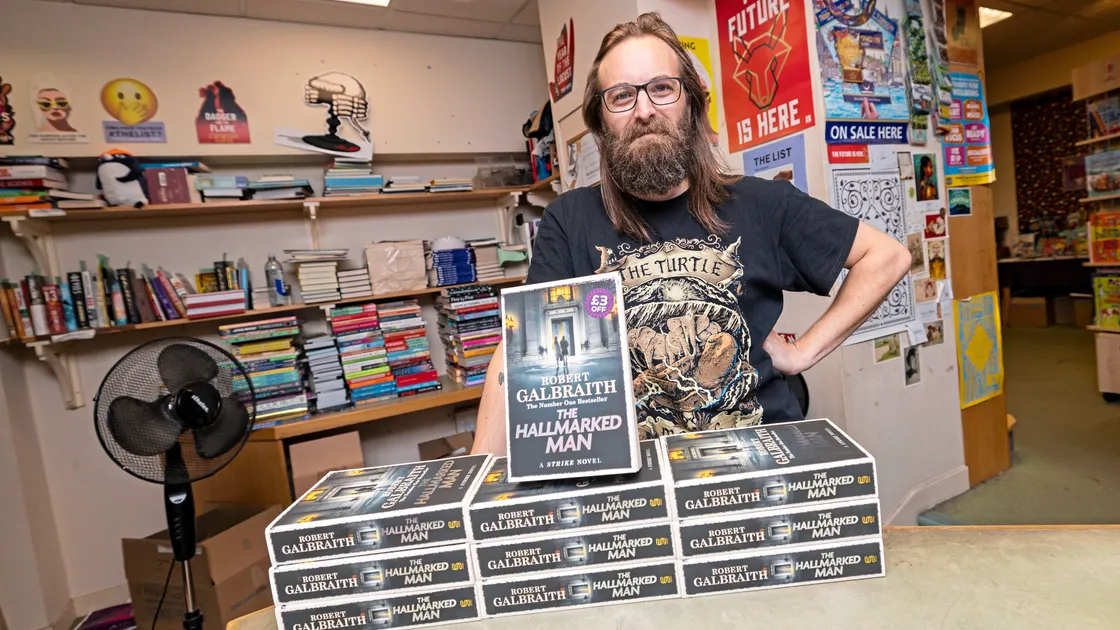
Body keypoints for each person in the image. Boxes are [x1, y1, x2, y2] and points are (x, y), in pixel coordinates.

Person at [471, 13, 909, 453]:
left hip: (759, 461)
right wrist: (477, 486)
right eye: (622, 96)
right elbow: (519, 354)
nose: (644, 110)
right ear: (601, 125)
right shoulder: (570, 218)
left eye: (662, 88)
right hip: (633, 476)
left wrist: (804, 352)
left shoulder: (763, 203)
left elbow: (887, 257)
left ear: (692, 104)